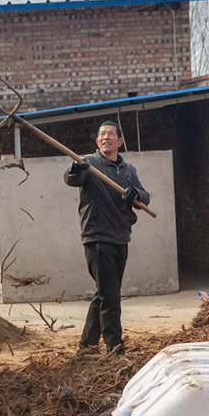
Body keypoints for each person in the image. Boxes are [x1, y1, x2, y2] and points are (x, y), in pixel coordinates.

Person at [63, 120, 151, 354]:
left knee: (104, 293)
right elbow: (71, 179)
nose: (105, 137)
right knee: (110, 297)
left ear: (120, 141)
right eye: (102, 134)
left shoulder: (128, 170)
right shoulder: (89, 163)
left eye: (111, 134)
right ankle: (114, 347)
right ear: (97, 141)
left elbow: (144, 198)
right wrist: (75, 168)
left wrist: (136, 193)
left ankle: (87, 345)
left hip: (121, 236)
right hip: (98, 237)